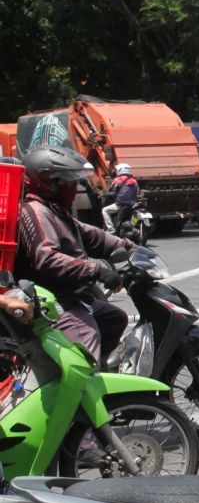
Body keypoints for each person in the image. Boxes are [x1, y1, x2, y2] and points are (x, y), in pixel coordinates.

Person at [15, 145, 135, 361]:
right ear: (47, 182)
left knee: (114, 318)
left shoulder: (55, 210)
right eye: (67, 182)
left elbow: (93, 236)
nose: (73, 187)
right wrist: (97, 270)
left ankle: (103, 378)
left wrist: (129, 247)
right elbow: (47, 259)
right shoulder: (36, 212)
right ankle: (84, 390)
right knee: (86, 344)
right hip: (53, 303)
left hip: (74, 297)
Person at [101, 162, 138, 233]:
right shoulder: (134, 181)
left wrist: (107, 194)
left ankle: (111, 229)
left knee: (105, 210)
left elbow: (113, 192)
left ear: (119, 170)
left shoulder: (117, 180)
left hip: (120, 204)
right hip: (132, 204)